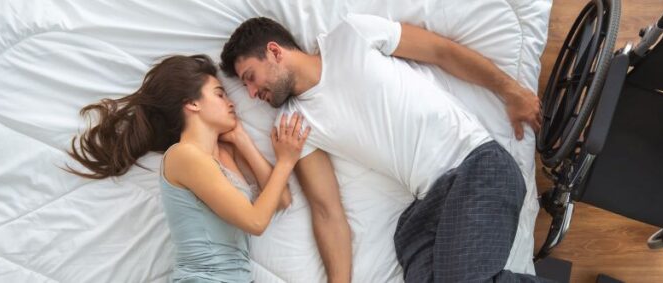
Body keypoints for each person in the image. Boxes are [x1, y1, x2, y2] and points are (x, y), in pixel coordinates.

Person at [220, 15, 544, 282]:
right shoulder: (293, 125)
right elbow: (326, 211)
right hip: (426, 213)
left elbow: (441, 51)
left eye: (250, 77)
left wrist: (510, 91)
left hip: (476, 166)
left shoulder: (352, 35)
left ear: (274, 52)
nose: (250, 93)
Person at [67, 54, 310, 282]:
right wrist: (285, 161)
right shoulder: (183, 156)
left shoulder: (224, 155)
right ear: (193, 103)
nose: (231, 103)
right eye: (220, 95)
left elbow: (281, 200)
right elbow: (255, 222)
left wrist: (242, 140)